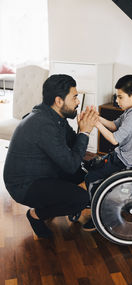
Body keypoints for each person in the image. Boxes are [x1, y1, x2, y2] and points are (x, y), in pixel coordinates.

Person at [3, 74, 98, 237]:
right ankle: (35, 215)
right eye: (74, 97)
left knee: (82, 173)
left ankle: (63, 202)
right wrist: (85, 132)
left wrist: (82, 130)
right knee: (81, 199)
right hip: (24, 186)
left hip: (41, 172)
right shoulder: (43, 124)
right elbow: (70, 164)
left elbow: (73, 144)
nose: (78, 101)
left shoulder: (54, 117)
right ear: (59, 101)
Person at [84, 75, 132, 228]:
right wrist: (97, 118)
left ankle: (98, 213)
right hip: (122, 156)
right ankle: (97, 202)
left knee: (90, 178)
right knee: (92, 168)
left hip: (127, 161)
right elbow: (114, 125)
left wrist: (96, 124)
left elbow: (115, 139)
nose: (117, 101)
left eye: (120, 97)